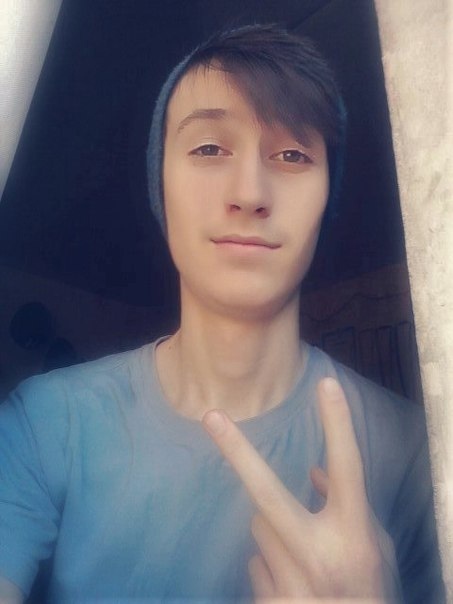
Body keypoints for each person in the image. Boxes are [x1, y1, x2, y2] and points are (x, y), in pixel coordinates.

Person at [0, 24, 445, 603]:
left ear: (327, 200)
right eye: (209, 149)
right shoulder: (45, 424)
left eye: (292, 154)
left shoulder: (415, 455)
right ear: (160, 186)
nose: (250, 193)